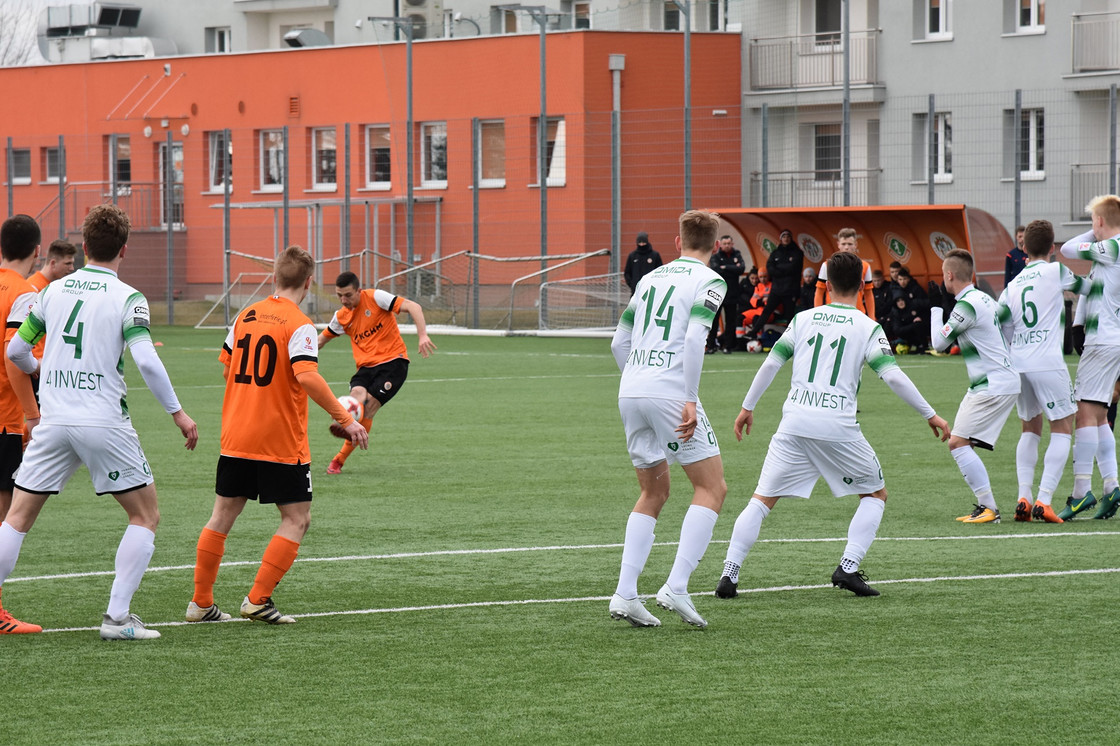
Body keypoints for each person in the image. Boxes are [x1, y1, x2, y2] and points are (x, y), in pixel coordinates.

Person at [1, 204, 199, 640]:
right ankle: (116, 619)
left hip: (52, 419)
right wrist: (178, 413)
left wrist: (44, 372)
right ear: (123, 250)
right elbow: (145, 358)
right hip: (103, 421)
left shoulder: (52, 291)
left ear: (85, 247)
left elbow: (15, 351)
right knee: (144, 515)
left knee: (16, 518)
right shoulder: (128, 297)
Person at [715, 251, 948, 599]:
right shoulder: (868, 327)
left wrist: (747, 407)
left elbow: (770, 364)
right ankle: (848, 567)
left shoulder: (803, 319)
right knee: (875, 494)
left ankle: (729, 574)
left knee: (762, 500)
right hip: (836, 425)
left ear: (826, 284)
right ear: (861, 285)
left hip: (794, 421)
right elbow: (893, 377)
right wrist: (931, 414)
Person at [188, 246, 368, 627]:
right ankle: (257, 599)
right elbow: (305, 375)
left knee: (221, 515)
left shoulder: (244, 316)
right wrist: (346, 419)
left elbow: (226, 370)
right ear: (309, 281)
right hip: (279, 440)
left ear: (274, 277)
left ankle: (201, 603)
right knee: (297, 518)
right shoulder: (299, 323)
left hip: (236, 433)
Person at [609, 209, 728, 629]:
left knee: (654, 491)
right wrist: (688, 398)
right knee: (712, 487)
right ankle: (676, 586)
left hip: (631, 389)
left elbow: (618, 341)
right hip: (669, 392)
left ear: (677, 243)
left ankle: (625, 593)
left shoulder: (649, 278)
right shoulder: (710, 279)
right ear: (715, 246)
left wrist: (637, 379)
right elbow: (696, 337)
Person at [996, 220, 1090, 523]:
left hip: (1018, 362)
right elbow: (1089, 288)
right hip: (1047, 361)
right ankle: (1044, 500)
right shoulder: (1056, 270)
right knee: (1063, 427)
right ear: (1053, 248)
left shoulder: (1012, 286)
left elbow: (1001, 325)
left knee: (1029, 429)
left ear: (1023, 248)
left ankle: (1023, 497)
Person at [929, 249, 1020, 524]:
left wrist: (935, 307)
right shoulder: (984, 298)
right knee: (961, 441)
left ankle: (989, 508)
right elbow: (1007, 327)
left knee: (957, 443)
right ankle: (986, 506)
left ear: (949, 275)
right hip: (995, 380)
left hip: (992, 384)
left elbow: (938, 344)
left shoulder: (967, 304)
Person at [317, 272, 436, 474]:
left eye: (348, 295)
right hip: (365, 368)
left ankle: (338, 459)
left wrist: (422, 335)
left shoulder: (375, 298)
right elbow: (320, 340)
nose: (344, 300)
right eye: (339, 296)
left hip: (393, 364)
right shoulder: (342, 317)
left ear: (359, 291)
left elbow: (413, 307)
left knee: (369, 406)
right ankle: (347, 423)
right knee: (356, 396)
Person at [1057, 195, 1120, 520]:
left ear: (1099, 221)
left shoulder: (1112, 248)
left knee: (1084, 414)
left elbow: (1067, 249)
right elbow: (1093, 290)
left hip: (1104, 342)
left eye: (1094, 221)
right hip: (1111, 341)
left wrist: (1097, 231)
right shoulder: (1109, 255)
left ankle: (1081, 493)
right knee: (1097, 415)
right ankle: (1111, 486)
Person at [0, 215, 42, 634]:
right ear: (37, 250)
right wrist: (32, 414)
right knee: (4, 516)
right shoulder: (23, 293)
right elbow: (15, 354)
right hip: (5, 419)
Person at [748, 228, 803, 338]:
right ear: (781, 239)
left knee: (789, 315)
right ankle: (753, 332)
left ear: (791, 239)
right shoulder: (776, 253)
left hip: (790, 289)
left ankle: (790, 338)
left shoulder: (797, 252)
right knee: (767, 310)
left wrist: (779, 269)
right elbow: (770, 268)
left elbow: (793, 268)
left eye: (788, 237)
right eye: (784, 237)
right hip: (777, 289)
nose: (786, 239)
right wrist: (783, 269)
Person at [815, 228, 875, 319]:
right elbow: (819, 292)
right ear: (838, 244)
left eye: (850, 244)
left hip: (857, 315)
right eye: (843, 244)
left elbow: (868, 294)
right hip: (832, 316)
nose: (846, 247)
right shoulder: (827, 265)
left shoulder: (865, 266)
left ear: (856, 245)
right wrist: (817, 315)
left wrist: (872, 317)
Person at [706, 234, 745, 354]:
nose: (727, 246)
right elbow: (716, 270)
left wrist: (725, 267)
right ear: (720, 245)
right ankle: (711, 346)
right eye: (725, 244)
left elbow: (741, 269)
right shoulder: (715, 257)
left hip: (732, 293)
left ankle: (728, 346)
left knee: (731, 321)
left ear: (732, 244)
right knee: (714, 320)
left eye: (729, 243)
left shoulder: (737, 254)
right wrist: (733, 268)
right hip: (717, 293)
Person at [624, 232, 663, 297]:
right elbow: (627, 272)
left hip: (651, 290)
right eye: (640, 243)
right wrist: (632, 284)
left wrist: (655, 284)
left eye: (643, 243)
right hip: (636, 291)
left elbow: (660, 271)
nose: (641, 245)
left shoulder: (655, 255)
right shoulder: (632, 256)